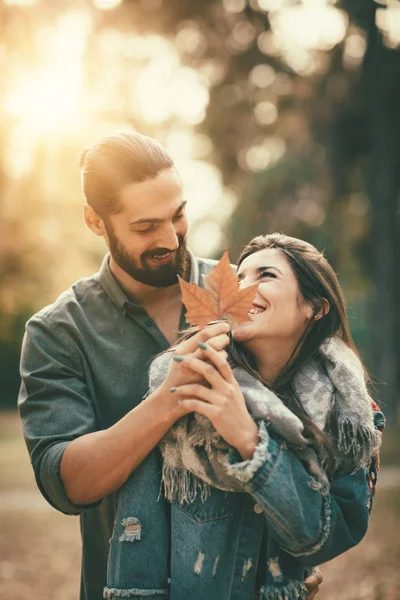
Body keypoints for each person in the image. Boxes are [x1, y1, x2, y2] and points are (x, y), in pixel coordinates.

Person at [19, 131, 325, 600]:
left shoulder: (245, 297)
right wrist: (169, 399)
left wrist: (290, 558)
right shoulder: (59, 331)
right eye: (145, 227)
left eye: (178, 214)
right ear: (95, 222)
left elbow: (299, 441)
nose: (169, 238)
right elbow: (67, 483)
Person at [104, 233, 384, 600]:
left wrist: (251, 441)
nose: (242, 290)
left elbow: (325, 540)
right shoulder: (184, 390)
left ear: (314, 307)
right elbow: (136, 559)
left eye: (265, 275)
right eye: (239, 278)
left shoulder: (349, 416)